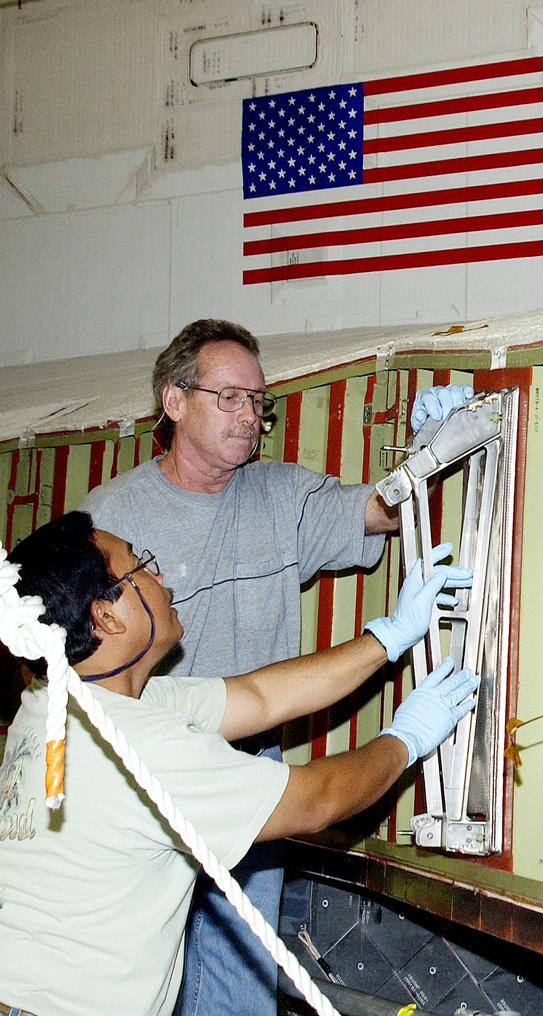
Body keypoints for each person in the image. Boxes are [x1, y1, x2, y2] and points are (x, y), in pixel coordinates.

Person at [78, 319, 471, 1015]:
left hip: (244, 761)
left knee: (238, 985)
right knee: (140, 969)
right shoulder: (112, 524)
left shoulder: (282, 496)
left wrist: (426, 451)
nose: (249, 417)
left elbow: (380, 510)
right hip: (146, 771)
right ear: (174, 401)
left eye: (258, 402)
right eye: (228, 397)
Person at [0, 511, 476, 1016]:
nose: (161, 576)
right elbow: (317, 801)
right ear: (107, 617)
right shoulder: (136, 743)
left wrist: (388, 638)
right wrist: (406, 738)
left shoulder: (58, 704)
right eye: (141, 566)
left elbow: (260, 697)